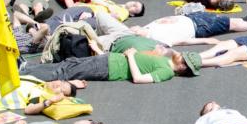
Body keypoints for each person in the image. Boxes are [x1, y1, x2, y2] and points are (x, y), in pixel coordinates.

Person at [21, 44, 202, 83]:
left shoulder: (167, 72)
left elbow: (138, 78)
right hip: (110, 59)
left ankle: (24, 73)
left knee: (67, 71)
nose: (180, 54)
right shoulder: (165, 59)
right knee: (70, 63)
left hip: (111, 68)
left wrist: (131, 56)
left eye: (183, 57)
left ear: (182, 66)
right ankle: (29, 67)